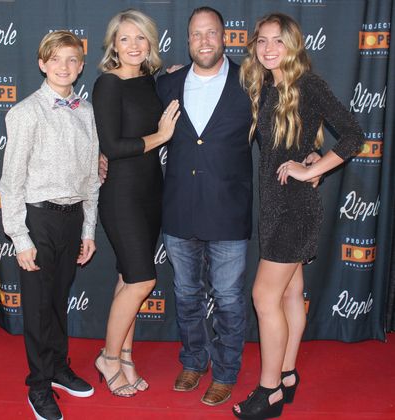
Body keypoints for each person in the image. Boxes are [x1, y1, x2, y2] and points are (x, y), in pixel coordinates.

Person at [233, 13, 364, 419]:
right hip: (274, 205)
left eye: (278, 41)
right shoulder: (266, 85)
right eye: (262, 41)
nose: (269, 48)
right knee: (290, 293)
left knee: (264, 296)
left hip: (294, 208)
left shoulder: (308, 84)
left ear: (293, 46)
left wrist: (312, 168)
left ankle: (269, 391)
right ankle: (287, 375)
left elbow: (354, 135)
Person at [155, 6, 253, 406]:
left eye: (211, 33)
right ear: (188, 40)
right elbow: (133, 125)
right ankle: (194, 361)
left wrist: (310, 156)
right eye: (197, 34)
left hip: (228, 211)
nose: (204, 41)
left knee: (228, 298)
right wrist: (103, 154)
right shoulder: (167, 83)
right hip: (179, 209)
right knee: (185, 294)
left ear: (225, 37)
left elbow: (283, 127)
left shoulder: (250, 83)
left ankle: (226, 372)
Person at [0, 30, 100, 420]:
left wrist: (88, 230)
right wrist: (20, 237)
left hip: (72, 219)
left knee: (58, 301)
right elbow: (11, 182)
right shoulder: (25, 113)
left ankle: (58, 367)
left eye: (72, 59)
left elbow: (91, 179)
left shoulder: (86, 111)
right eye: (55, 59)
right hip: (37, 219)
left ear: (81, 66)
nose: (64, 66)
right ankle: (39, 385)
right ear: (42, 63)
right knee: (40, 308)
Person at [91, 9, 180, 397]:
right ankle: (108, 358)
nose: (132, 45)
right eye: (124, 38)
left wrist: (177, 74)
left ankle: (125, 356)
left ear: (150, 43)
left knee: (128, 278)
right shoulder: (108, 84)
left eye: (140, 37)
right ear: (113, 44)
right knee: (143, 279)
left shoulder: (150, 82)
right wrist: (160, 137)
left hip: (151, 192)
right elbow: (112, 146)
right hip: (121, 194)